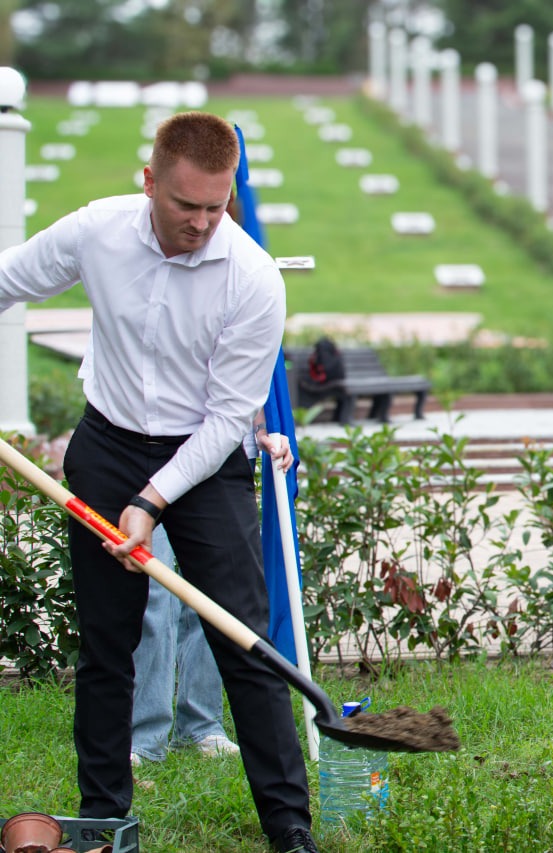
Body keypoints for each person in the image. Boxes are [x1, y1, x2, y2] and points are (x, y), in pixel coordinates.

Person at [0, 111, 318, 853]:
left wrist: (150, 501)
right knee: (107, 644)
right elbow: (9, 281)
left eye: (217, 205)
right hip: (107, 445)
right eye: (186, 205)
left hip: (203, 460)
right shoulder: (97, 230)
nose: (203, 222)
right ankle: (105, 818)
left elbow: (225, 419)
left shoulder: (251, 276)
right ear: (150, 183)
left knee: (242, 641)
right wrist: (129, 491)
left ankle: (290, 829)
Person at [130, 523, 240, 766]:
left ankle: (200, 727)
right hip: (142, 487)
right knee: (152, 586)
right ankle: (145, 736)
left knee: (210, 590)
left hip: (202, 485)